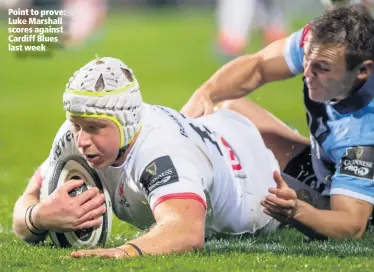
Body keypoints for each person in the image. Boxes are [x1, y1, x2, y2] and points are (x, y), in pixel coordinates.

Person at [13, 57, 325, 259]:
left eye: (95, 128)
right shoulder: (76, 133)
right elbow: (29, 196)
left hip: (263, 179)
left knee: (355, 212)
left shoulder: (158, 152)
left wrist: (123, 252)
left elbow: (187, 232)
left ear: (127, 122)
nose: (81, 140)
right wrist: (37, 217)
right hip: (220, 130)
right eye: (76, 125)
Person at [181, 4, 374, 239]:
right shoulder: (321, 43)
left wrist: (297, 211)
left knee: (247, 180)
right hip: (324, 166)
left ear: (362, 71)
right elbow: (258, 67)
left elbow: (351, 225)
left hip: (349, 199)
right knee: (232, 109)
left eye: (322, 69)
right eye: (306, 60)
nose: (307, 74)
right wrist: (206, 93)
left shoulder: (364, 135)